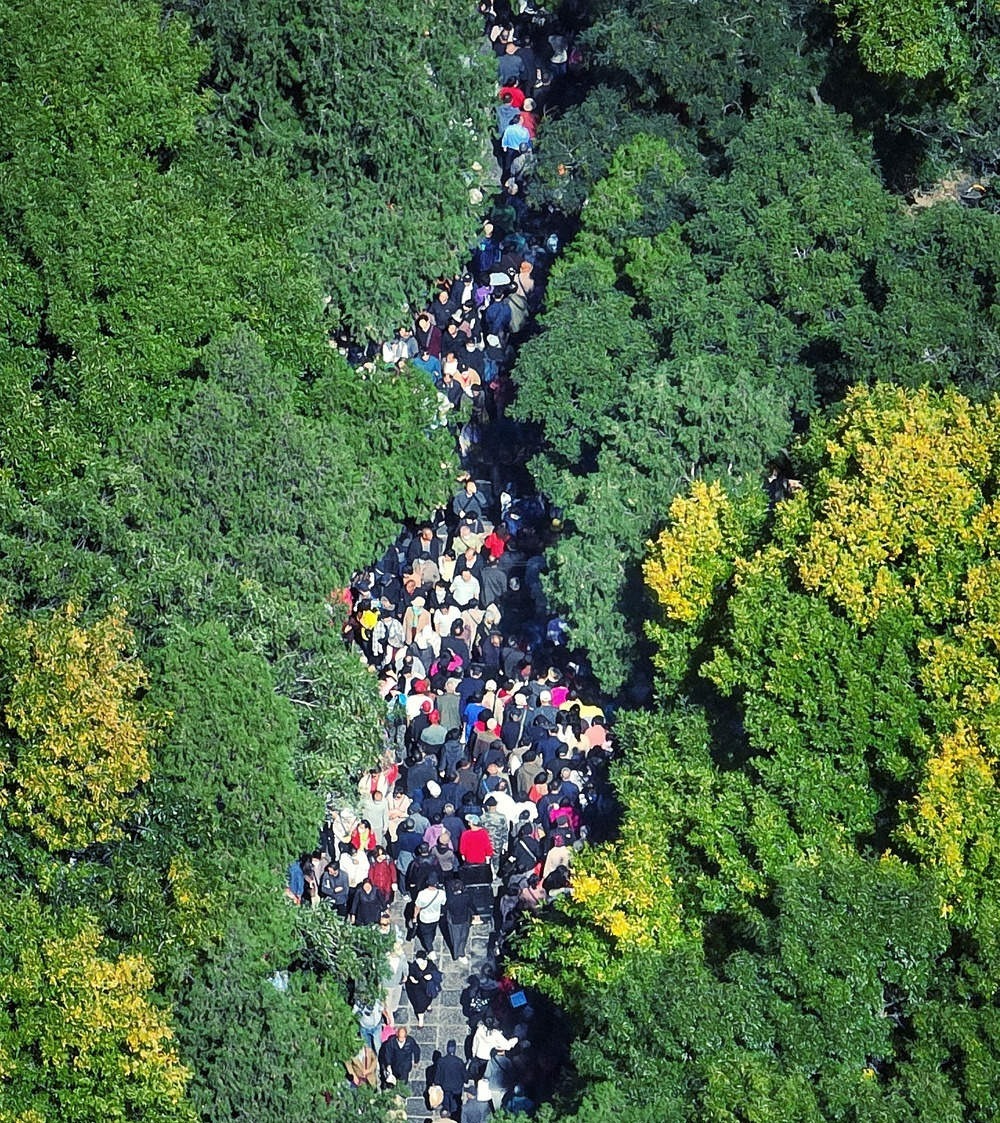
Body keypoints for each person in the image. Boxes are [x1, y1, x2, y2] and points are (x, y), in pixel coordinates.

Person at [405, 949, 443, 1028]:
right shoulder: (414, 965)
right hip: (418, 988)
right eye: (417, 960)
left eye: (420, 960)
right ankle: (421, 1020)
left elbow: (438, 975)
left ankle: (428, 1005)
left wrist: (431, 976)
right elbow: (411, 973)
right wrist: (412, 978)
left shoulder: (430, 965)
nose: (418, 962)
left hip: (428, 987)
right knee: (419, 1005)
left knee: (429, 999)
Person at [413, 872, 447, 952]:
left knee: (426, 935)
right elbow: (443, 903)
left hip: (424, 918)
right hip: (435, 917)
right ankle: (431, 940)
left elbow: (417, 907)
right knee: (432, 931)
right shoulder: (441, 893)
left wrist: (414, 917)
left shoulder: (422, 894)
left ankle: (430, 950)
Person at [434, 1040, 469, 1119]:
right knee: (455, 1108)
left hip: (445, 1087)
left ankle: (446, 1118)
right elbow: (464, 1075)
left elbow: (438, 1075)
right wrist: (466, 1080)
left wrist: (436, 1083)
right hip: (456, 1089)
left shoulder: (441, 1061)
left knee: (445, 1105)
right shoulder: (459, 1061)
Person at [444, 876, 474, 962]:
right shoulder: (466, 896)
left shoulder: (450, 898)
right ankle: (461, 953)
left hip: (454, 921)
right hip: (464, 919)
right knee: (463, 937)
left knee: (455, 938)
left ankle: (456, 955)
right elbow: (471, 905)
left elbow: (446, 908)